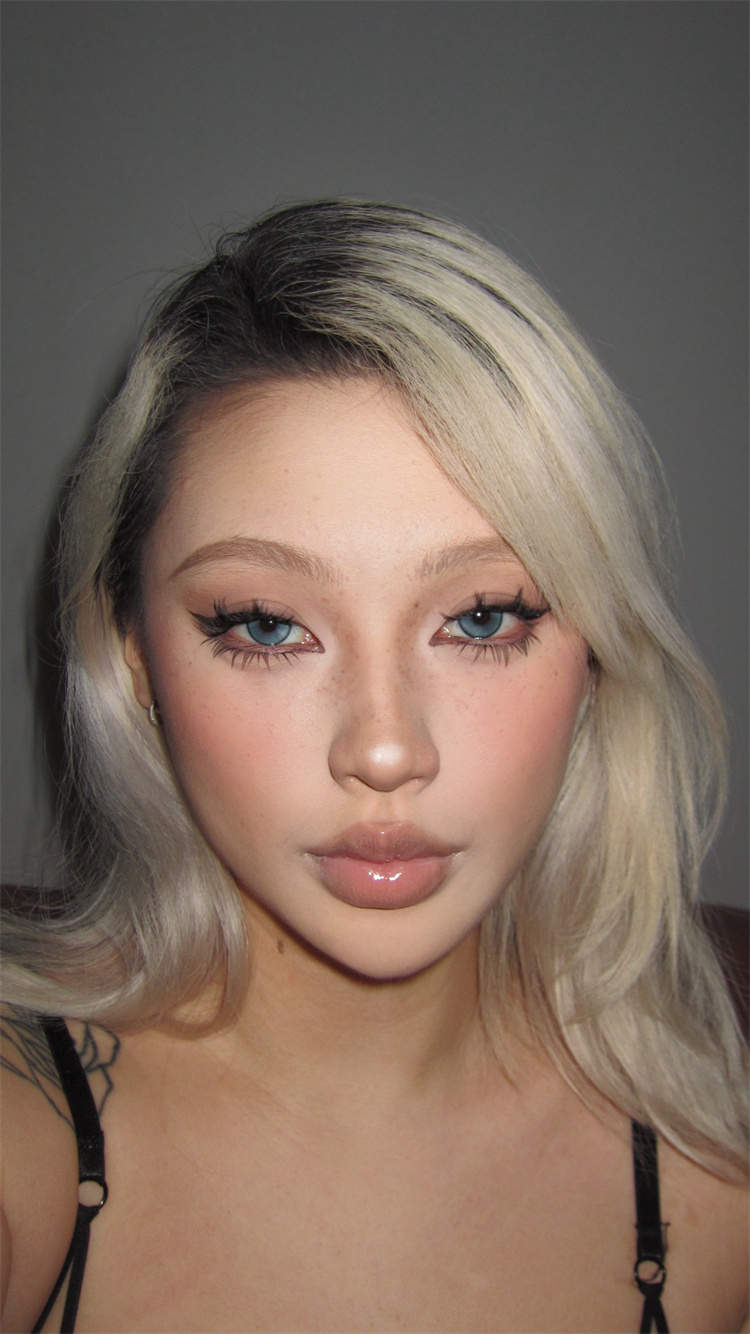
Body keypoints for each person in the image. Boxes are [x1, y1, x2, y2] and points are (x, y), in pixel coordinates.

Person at [1, 200, 747, 1334]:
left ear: (597, 654)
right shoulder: (30, 1140)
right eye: (265, 625)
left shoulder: (714, 1196)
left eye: (483, 616)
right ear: (134, 656)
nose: (387, 748)